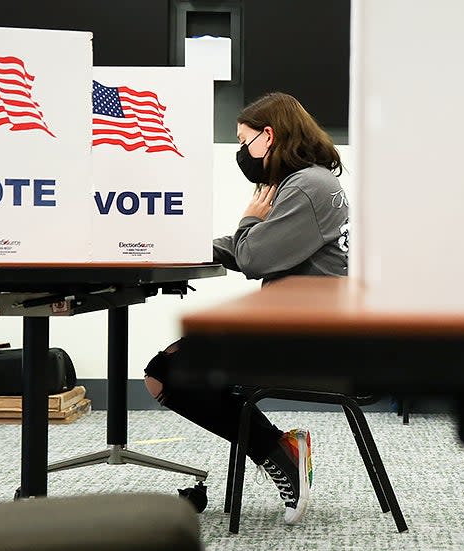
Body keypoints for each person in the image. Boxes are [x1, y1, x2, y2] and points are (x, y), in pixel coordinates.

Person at [143, 92, 349, 524]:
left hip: (305, 335)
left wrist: (248, 220)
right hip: (296, 324)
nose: (242, 151)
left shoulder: (307, 186)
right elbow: (258, 249)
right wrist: (194, 245)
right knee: (166, 374)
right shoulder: (308, 181)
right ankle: (281, 449)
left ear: (268, 136)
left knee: (168, 376)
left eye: (243, 139)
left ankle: (281, 452)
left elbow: (255, 257)